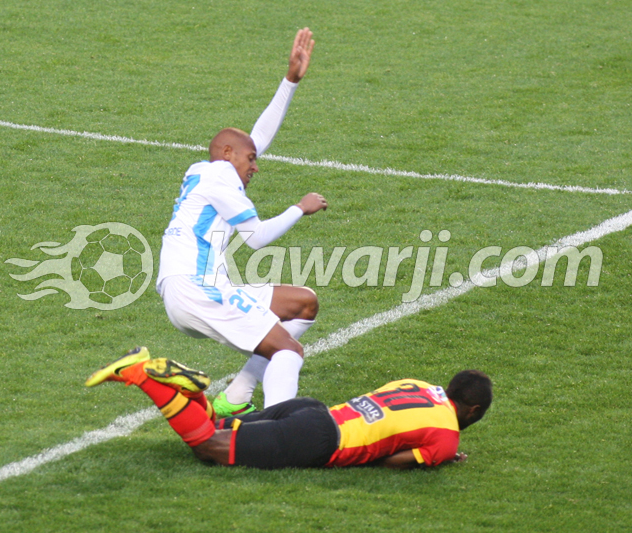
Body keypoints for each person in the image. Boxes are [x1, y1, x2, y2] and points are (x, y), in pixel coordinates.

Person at [156, 28, 328, 419]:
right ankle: (280, 431)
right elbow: (256, 237)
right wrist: (299, 208)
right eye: (250, 160)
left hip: (191, 286)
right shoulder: (221, 176)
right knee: (288, 350)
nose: (255, 167)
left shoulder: (203, 169)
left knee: (303, 304)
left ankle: (236, 396)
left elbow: (255, 139)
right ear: (227, 153)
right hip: (196, 289)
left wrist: (290, 81)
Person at [85, 347, 493, 469]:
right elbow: (392, 461)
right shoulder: (446, 437)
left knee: (217, 425)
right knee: (207, 446)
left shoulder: (417, 385)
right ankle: (141, 374)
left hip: (312, 412)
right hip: (318, 440)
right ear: (472, 410)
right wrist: (440, 456)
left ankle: (187, 389)